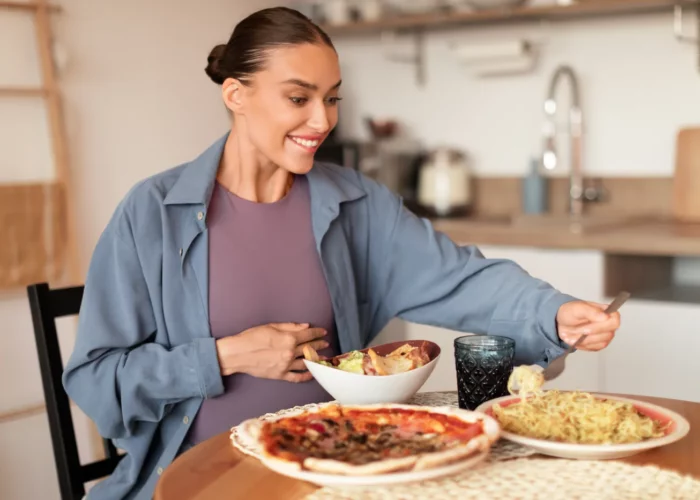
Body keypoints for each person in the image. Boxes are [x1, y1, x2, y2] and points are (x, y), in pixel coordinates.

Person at [62, 6, 621, 499]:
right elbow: (96, 380)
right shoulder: (152, 212)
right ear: (236, 94)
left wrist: (552, 312)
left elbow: (460, 279)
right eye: (298, 98)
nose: (322, 120)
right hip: (201, 480)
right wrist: (225, 356)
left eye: (331, 99)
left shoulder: (356, 204)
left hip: (337, 473)